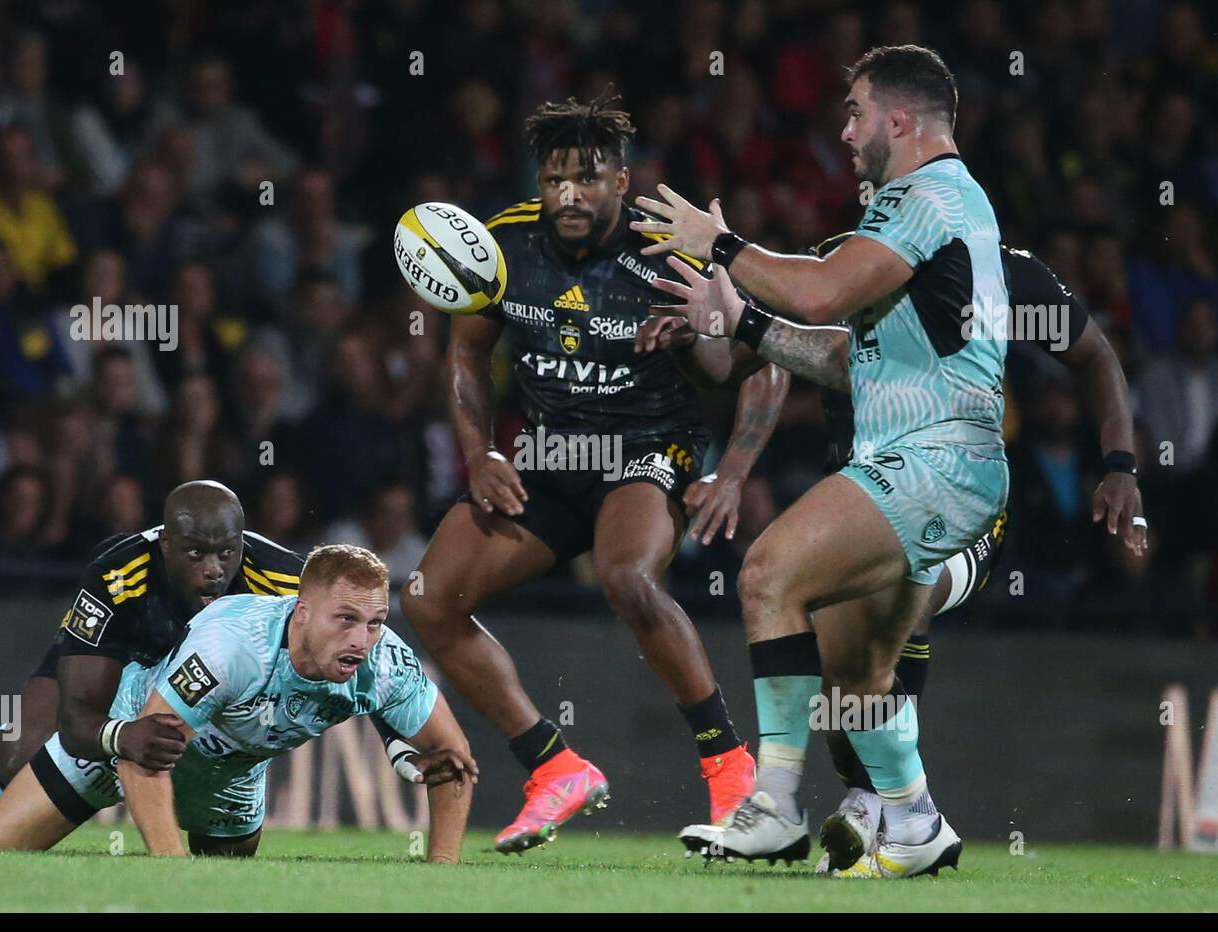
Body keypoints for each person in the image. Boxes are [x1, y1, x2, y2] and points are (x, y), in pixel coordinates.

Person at [638, 232, 1146, 870]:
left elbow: (1096, 356)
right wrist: (693, 341)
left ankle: (846, 801)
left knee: (884, 600)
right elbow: (743, 361)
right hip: (860, 496)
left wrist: (1121, 465)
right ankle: (906, 813)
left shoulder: (1004, 273)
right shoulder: (840, 266)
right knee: (845, 670)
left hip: (956, 502)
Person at [633, 45, 1011, 877]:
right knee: (853, 665)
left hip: (936, 456)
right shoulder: (955, 204)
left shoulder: (924, 193)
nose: (845, 131)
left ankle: (772, 803)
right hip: (941, 457)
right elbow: (847, 355)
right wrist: (742, 325)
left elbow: (820, 291)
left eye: (856, 112)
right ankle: (913, 822)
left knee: (769, 570)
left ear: (900, 121)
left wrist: (720, 242)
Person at [402, 93, 788, 853]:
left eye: (587, 177)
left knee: (627, 577)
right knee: (427, 599)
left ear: (622, 180)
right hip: (551, 454)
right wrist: (480, 453)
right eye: (554, 179)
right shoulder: (502, 246)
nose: (568, 195)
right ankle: (553, 766)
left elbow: (763, 359)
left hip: (649, 447)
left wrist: (735, 471)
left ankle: (731, 770)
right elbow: (468, 356)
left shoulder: (669, 249)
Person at [0, 545, 477, 861]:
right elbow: (144, 754)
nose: (362, 638)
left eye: (375, 622)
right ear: (301, 612)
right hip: (130, 736)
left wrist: (441, 875)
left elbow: (453, 760)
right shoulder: (232, 647)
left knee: (230, 895)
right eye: (347, 619)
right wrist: (173, 871)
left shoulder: (383, 660)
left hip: (231, 775)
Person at [0, 480, 432, 791]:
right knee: (15, 761)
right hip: (117, 662)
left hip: (196, 684)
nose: (214, 569)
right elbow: (77, 717)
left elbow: (361, 646)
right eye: (196, 553)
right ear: (165, 544)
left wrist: (394, 743)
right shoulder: (115, 576)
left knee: (223, 844)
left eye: (227, 552)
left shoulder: (283, 576)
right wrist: (122, 737)